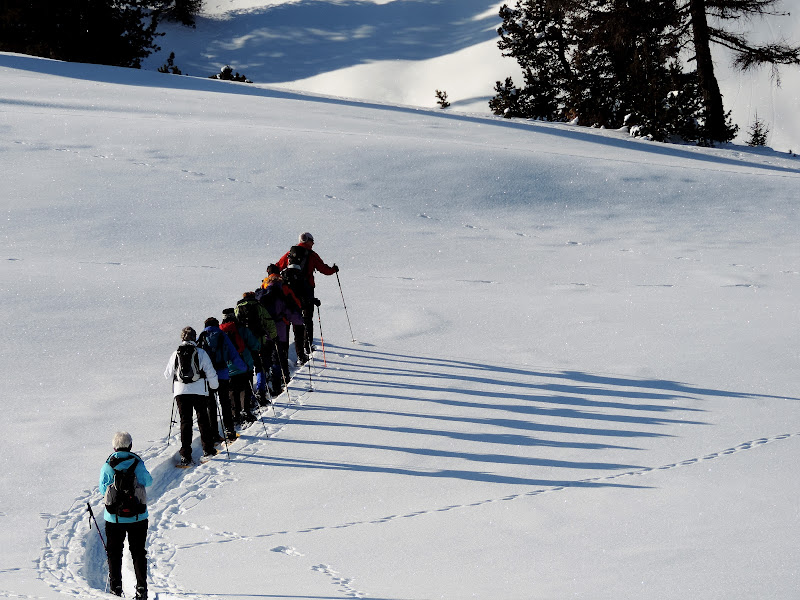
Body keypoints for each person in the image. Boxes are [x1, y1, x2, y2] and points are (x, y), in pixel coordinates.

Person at [99, 431, 153, 600]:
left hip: (114, 518)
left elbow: (102, 490)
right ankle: (141, 589)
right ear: (130, 446)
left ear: (114, 447)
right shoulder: (137, 463)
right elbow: (148, 481)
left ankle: (115, 588)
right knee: (138, 552)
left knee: (114, 553)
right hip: (138, 516)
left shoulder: (108, 465)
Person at [275, 232, 338, 364]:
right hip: (307, 289)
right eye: (312, 240)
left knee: (288, 318)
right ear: (308, 241)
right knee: (307, 317)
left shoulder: (289, 253)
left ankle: (285, 353)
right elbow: (323, 269)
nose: (313, 243)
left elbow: (277, 267)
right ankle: (307, 345)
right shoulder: (311, 255)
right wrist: (333, 270)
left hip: (289, 290)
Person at [164, 326, 219, 465]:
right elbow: (210, 371)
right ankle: (208, 450)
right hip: (199, 390)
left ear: (182, 338)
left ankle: (185, 455)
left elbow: (167, 374)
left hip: (181, 392)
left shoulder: (176, 353)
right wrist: (214, 386)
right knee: (202, 419)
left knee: (185, 421)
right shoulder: (201, 352)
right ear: (194, 338)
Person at [197, 317, 247, 442]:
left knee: (211, 405)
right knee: (225, 403)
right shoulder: (222, 335)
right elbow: (233, 353)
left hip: (207, 376)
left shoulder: (201, 337)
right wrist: (243, 367)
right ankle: (229, 430)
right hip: (223, 374)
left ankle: (213, 433)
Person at [257, 264, 302, 396]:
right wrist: (300, 321)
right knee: (277, 357)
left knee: (265, 359)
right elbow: (290, 312)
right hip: (280, 331)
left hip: (264, 332)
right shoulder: (281, 294)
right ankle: (277, 385)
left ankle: (263, 387)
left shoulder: (261, 293)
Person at [235, 291, 277, 405]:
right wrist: (273, 336)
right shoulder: (259, 306)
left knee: (248, 369)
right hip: (258, 341)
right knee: (260, 366)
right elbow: (269, 322)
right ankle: (260, 390)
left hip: (244, 344)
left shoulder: (238, 308)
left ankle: (248, 395)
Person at [220, 307, 260, 423]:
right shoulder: (242, 329)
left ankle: (235, 414)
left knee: (232, 391)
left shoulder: (220, 332)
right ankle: (246, 411)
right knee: (246, 389)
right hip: (245, 364)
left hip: (228, 368)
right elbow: (254, 344)